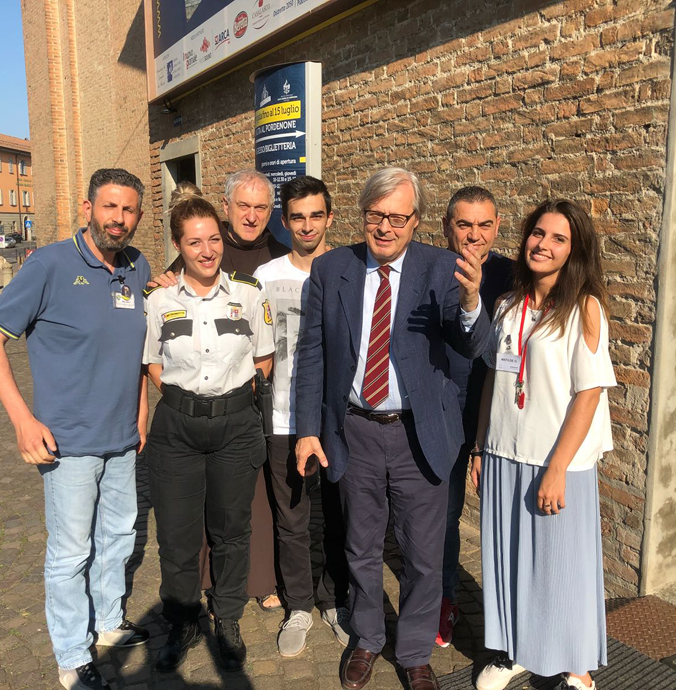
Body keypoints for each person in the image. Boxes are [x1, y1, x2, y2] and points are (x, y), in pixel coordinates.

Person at [294, 167, 490, 690]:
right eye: (375, 215)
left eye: (396, 218)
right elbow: (311, 352)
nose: (384, 227)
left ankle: (415, 651)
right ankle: (367, 640)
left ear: (416, 221)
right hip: (353, 430)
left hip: (418, 434)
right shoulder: (332, 268)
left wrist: (472, 304)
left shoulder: (442, 268)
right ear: (362, 216)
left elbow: (472, 346)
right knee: (359, 546)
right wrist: (308, 428)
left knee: (423, 554)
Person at [0, 168, 152, 690]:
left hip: (122, 438)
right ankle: (72, 657)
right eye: (109, 208)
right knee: (71, 552)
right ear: (87, 207)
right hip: (66, 443)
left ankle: (105, 623)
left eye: (129, 210)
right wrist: (22, 419)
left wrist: (141, 410)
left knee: (118, 537)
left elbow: (136, 348)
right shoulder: (49, 265)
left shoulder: (136, 267)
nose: (118, 220)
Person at [471, 199, 615, 690]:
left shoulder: (585, 308)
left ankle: (577, 668)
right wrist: (478, 447)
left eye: (558, 238)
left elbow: (589, 393)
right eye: (538, 233)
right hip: (504, 451)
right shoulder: (509, 305)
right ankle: (516, 651)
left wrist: (557, 468)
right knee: (510, 559)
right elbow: (495, 375)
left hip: (556, 461)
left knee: (561, 566)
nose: (543, 244)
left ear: (574, 251)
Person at [143, 190, 275, 673]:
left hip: (236, 427)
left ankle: (228, 616)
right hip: (177, 429)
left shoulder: (248, 294)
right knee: (177, 535)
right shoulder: (157, 300)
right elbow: (152, 363)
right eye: (194, 241)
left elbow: (263, 358)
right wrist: (187, 400)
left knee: (231, 530)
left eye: (213, 239)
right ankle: (180, 620)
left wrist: (225, 399)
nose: (206, 250)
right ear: (178, 244)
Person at [157, 170, 288, 612]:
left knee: (250, 499)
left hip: (250, 403)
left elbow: (267, 346)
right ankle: (199, 587)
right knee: (195, 504)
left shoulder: (280, 256)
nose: (252, 216)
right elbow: (165, 312)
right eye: (244, 206)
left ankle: (258, 579)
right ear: (226, 207)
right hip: (194, 412)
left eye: (262, 207)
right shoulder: (204, 247)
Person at [254, 176, 352, 657]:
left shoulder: (350, 270)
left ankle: (334, 600)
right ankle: (298, 606)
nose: (307, 225)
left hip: (338, 418)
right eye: (297, 216)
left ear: (330, 218)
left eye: (317, 215)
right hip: (282, 414)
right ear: (285, 220)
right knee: (291, 516)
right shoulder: (267, 276)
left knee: (338, 515)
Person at [436, 187, 513, 648]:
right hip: (443, 413)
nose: (474, 235)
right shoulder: (427, 268)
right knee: (443, 517)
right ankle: (444, 598)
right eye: (464, 224)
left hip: (495, 415)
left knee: (501, 520)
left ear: (497, 227)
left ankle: (508, 614)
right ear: (448, 226)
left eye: (484, 225)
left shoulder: (512, 274)